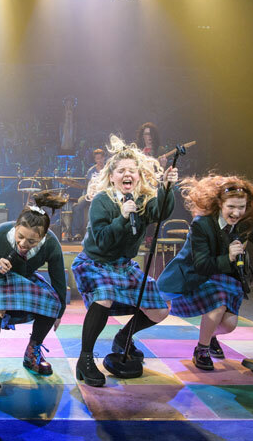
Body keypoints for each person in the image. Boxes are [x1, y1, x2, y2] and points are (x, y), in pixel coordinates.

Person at [157, 175, 253, 371]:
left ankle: (210, 336)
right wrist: (229, 257)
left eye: (241, 207)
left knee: (230, 324)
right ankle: (202, 349)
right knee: (218, 303)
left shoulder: (246, 223)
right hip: (202, 276)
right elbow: (202, 264)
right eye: (231, 207)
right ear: (220, 204)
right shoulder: (202, 224)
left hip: (230, 277)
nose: (236, 212)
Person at [71, 135, 178, 387]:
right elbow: (103, 240)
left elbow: (160, 213)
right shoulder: (102, 201)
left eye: (132, 170)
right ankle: (85, 359)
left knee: (160, 308)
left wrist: (165, 189)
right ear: (111, 176)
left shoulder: (142, 201)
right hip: (96, 262)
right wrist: (121, 218)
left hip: (124, 266)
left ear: (139, 176)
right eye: (121, 171)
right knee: (104, 296)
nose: (127, 174)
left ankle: (124, 336)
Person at [0, 194, 67, 392]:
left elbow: (58, 281)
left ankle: (32, 353)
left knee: (51, 303)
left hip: (23, 279)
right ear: (15, 227)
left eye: (31, 241)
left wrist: (60, 311)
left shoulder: (51, 244)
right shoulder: (2, 232)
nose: (23, 244)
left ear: (43, 237)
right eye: (20, 237)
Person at [70, 148, 106, 240]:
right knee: (77, 206)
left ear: (104, 158)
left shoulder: (107, 170)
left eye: (100, 158)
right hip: (90, 195)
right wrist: (89, 194)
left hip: (102, 196)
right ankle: (76, 233)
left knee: (93, 208)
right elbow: (88, 185)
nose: (99, 161)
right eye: (97, 159)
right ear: (95, 159)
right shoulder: (91, 170)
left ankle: (91, 233)